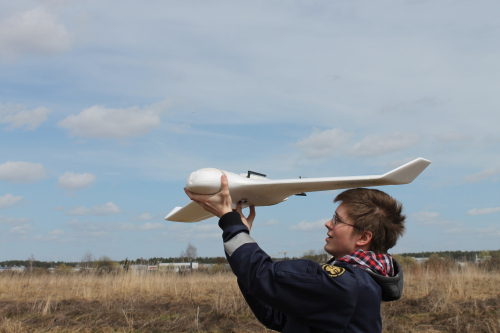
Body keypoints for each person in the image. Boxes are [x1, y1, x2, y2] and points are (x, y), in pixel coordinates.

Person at [185, 174, 405, 333]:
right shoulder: (358, 284)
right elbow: (278, 316)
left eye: (337, 220)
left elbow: (264, 276)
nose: (328, 223)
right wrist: (242, 245)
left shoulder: (348, 285)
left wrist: (231, 223)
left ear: (364, 238)